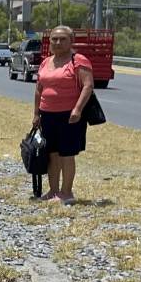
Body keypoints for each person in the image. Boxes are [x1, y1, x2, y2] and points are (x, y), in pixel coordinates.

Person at [33, 25, 93, 205]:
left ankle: (67, 193)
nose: (57, 42)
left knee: (67, 154)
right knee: (52, 154)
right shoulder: (46, 62)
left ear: (71, 41)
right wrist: (36, 114)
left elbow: (88, 86)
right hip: (47, 115)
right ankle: (53, 191)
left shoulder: (78, 60)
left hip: (69, 115)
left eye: (62, 39)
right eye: (54, 39)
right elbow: (39, 89)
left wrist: (77, 109)